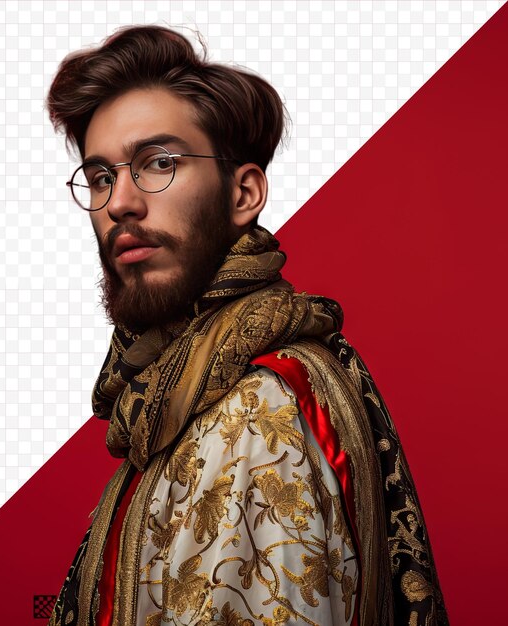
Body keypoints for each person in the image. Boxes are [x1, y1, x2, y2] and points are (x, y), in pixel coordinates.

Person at [44, 25, 447, 626]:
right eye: (102, 176)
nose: (120, 202)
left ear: (244, 193)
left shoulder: (256, 412)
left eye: (158, 163)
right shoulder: (167, 395)